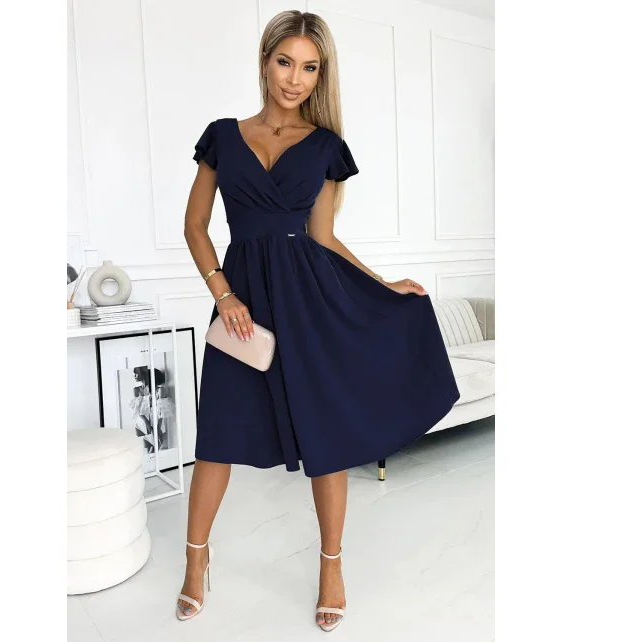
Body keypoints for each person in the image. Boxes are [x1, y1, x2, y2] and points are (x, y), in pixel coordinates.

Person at [178, 9, 460, 633]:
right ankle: (196, 559)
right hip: (240, 305)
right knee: (216, 437)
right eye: (285, 62)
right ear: (265, 62)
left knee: (324, 433)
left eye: (309, 68)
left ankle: (332, 566)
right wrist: (224, 295)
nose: (295, 79)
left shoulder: (327, 147)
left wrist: (383, 285)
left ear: (320, 75)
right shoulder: (222, 136)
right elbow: (195, 227)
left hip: (308, 303)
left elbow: (323, 238)